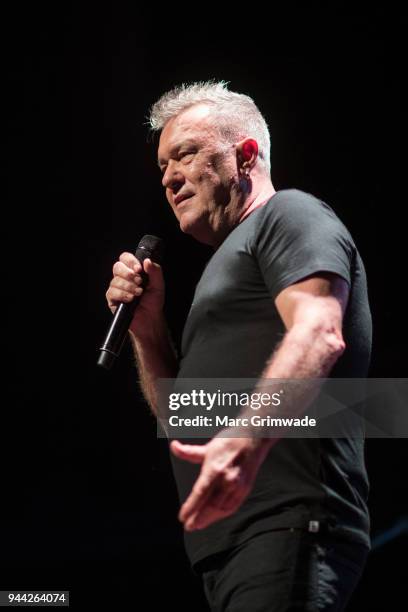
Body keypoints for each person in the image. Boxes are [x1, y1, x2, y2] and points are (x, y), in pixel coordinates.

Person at [105, 81, 372, 611]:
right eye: (161, 168)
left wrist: (244, 442)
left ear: (246, 155)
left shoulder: (291, 215)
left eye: (184, 154)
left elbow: (320, 330)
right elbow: (178, 417)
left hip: (290, 522)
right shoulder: (222, 272)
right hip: (227, 550)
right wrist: (149, 330)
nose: (169, 178)